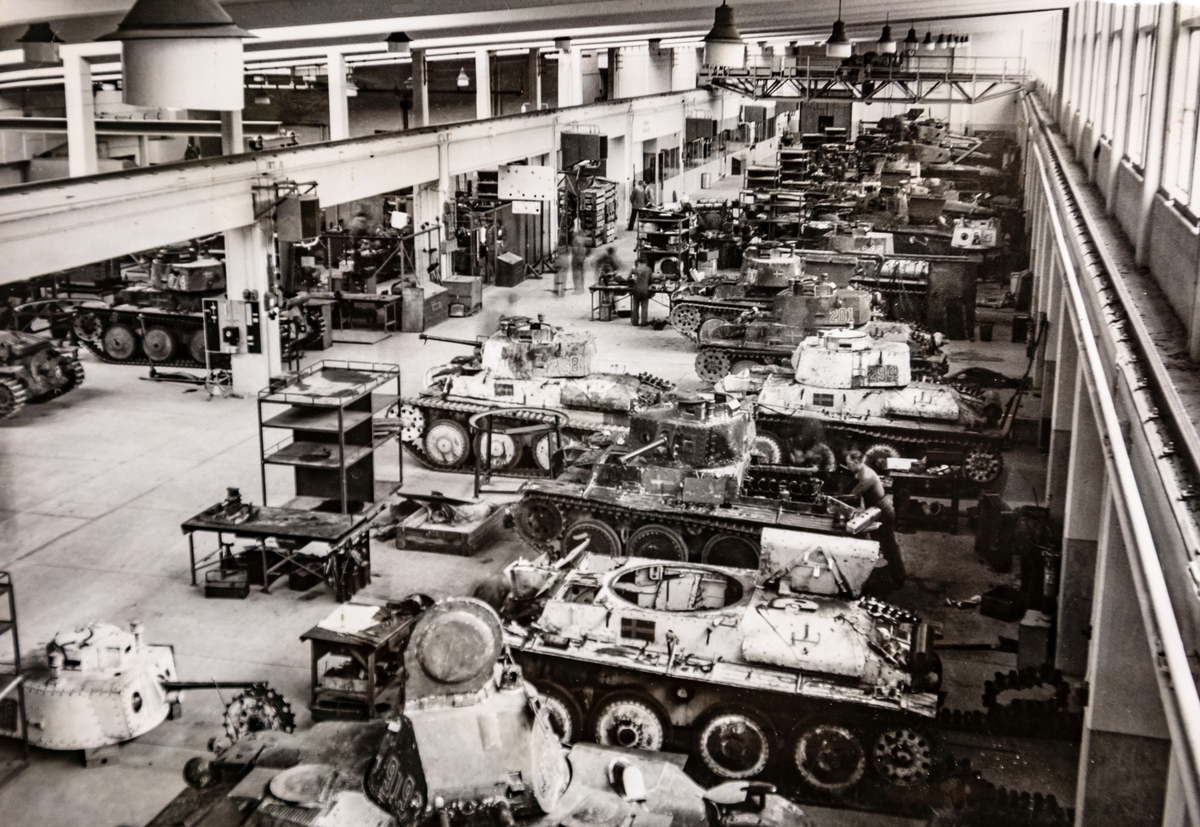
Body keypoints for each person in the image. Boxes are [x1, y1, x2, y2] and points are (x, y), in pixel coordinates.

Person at [844, 450, 906, 592]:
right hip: (876, 510)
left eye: (848, 464)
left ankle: (899, 577)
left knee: (889, 545)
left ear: (856, 462)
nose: (847, 466)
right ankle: (886, 575)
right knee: (880, 543)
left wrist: (832, 498)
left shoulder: (867, 476)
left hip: (883, 512)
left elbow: (852, 495)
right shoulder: (861, 472)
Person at [630, 260, 652, 326]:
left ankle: (635, 321)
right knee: (644, 306)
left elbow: (632, 280)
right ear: (646, 263)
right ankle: (644, 322)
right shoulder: (648, 269)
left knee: (635, 306)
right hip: (645, 289)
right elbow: (651, 280)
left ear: (639, 263)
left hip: (636, 289)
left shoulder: (635, 270)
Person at [570, 230, 589, 295]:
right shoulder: (583, 239)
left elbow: (574, 250)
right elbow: (586, 250)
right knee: (581, 274)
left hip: (576, 259)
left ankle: (577, 290)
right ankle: (582, 288)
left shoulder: (575, 240)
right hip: (582, 258)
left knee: (576, 274)